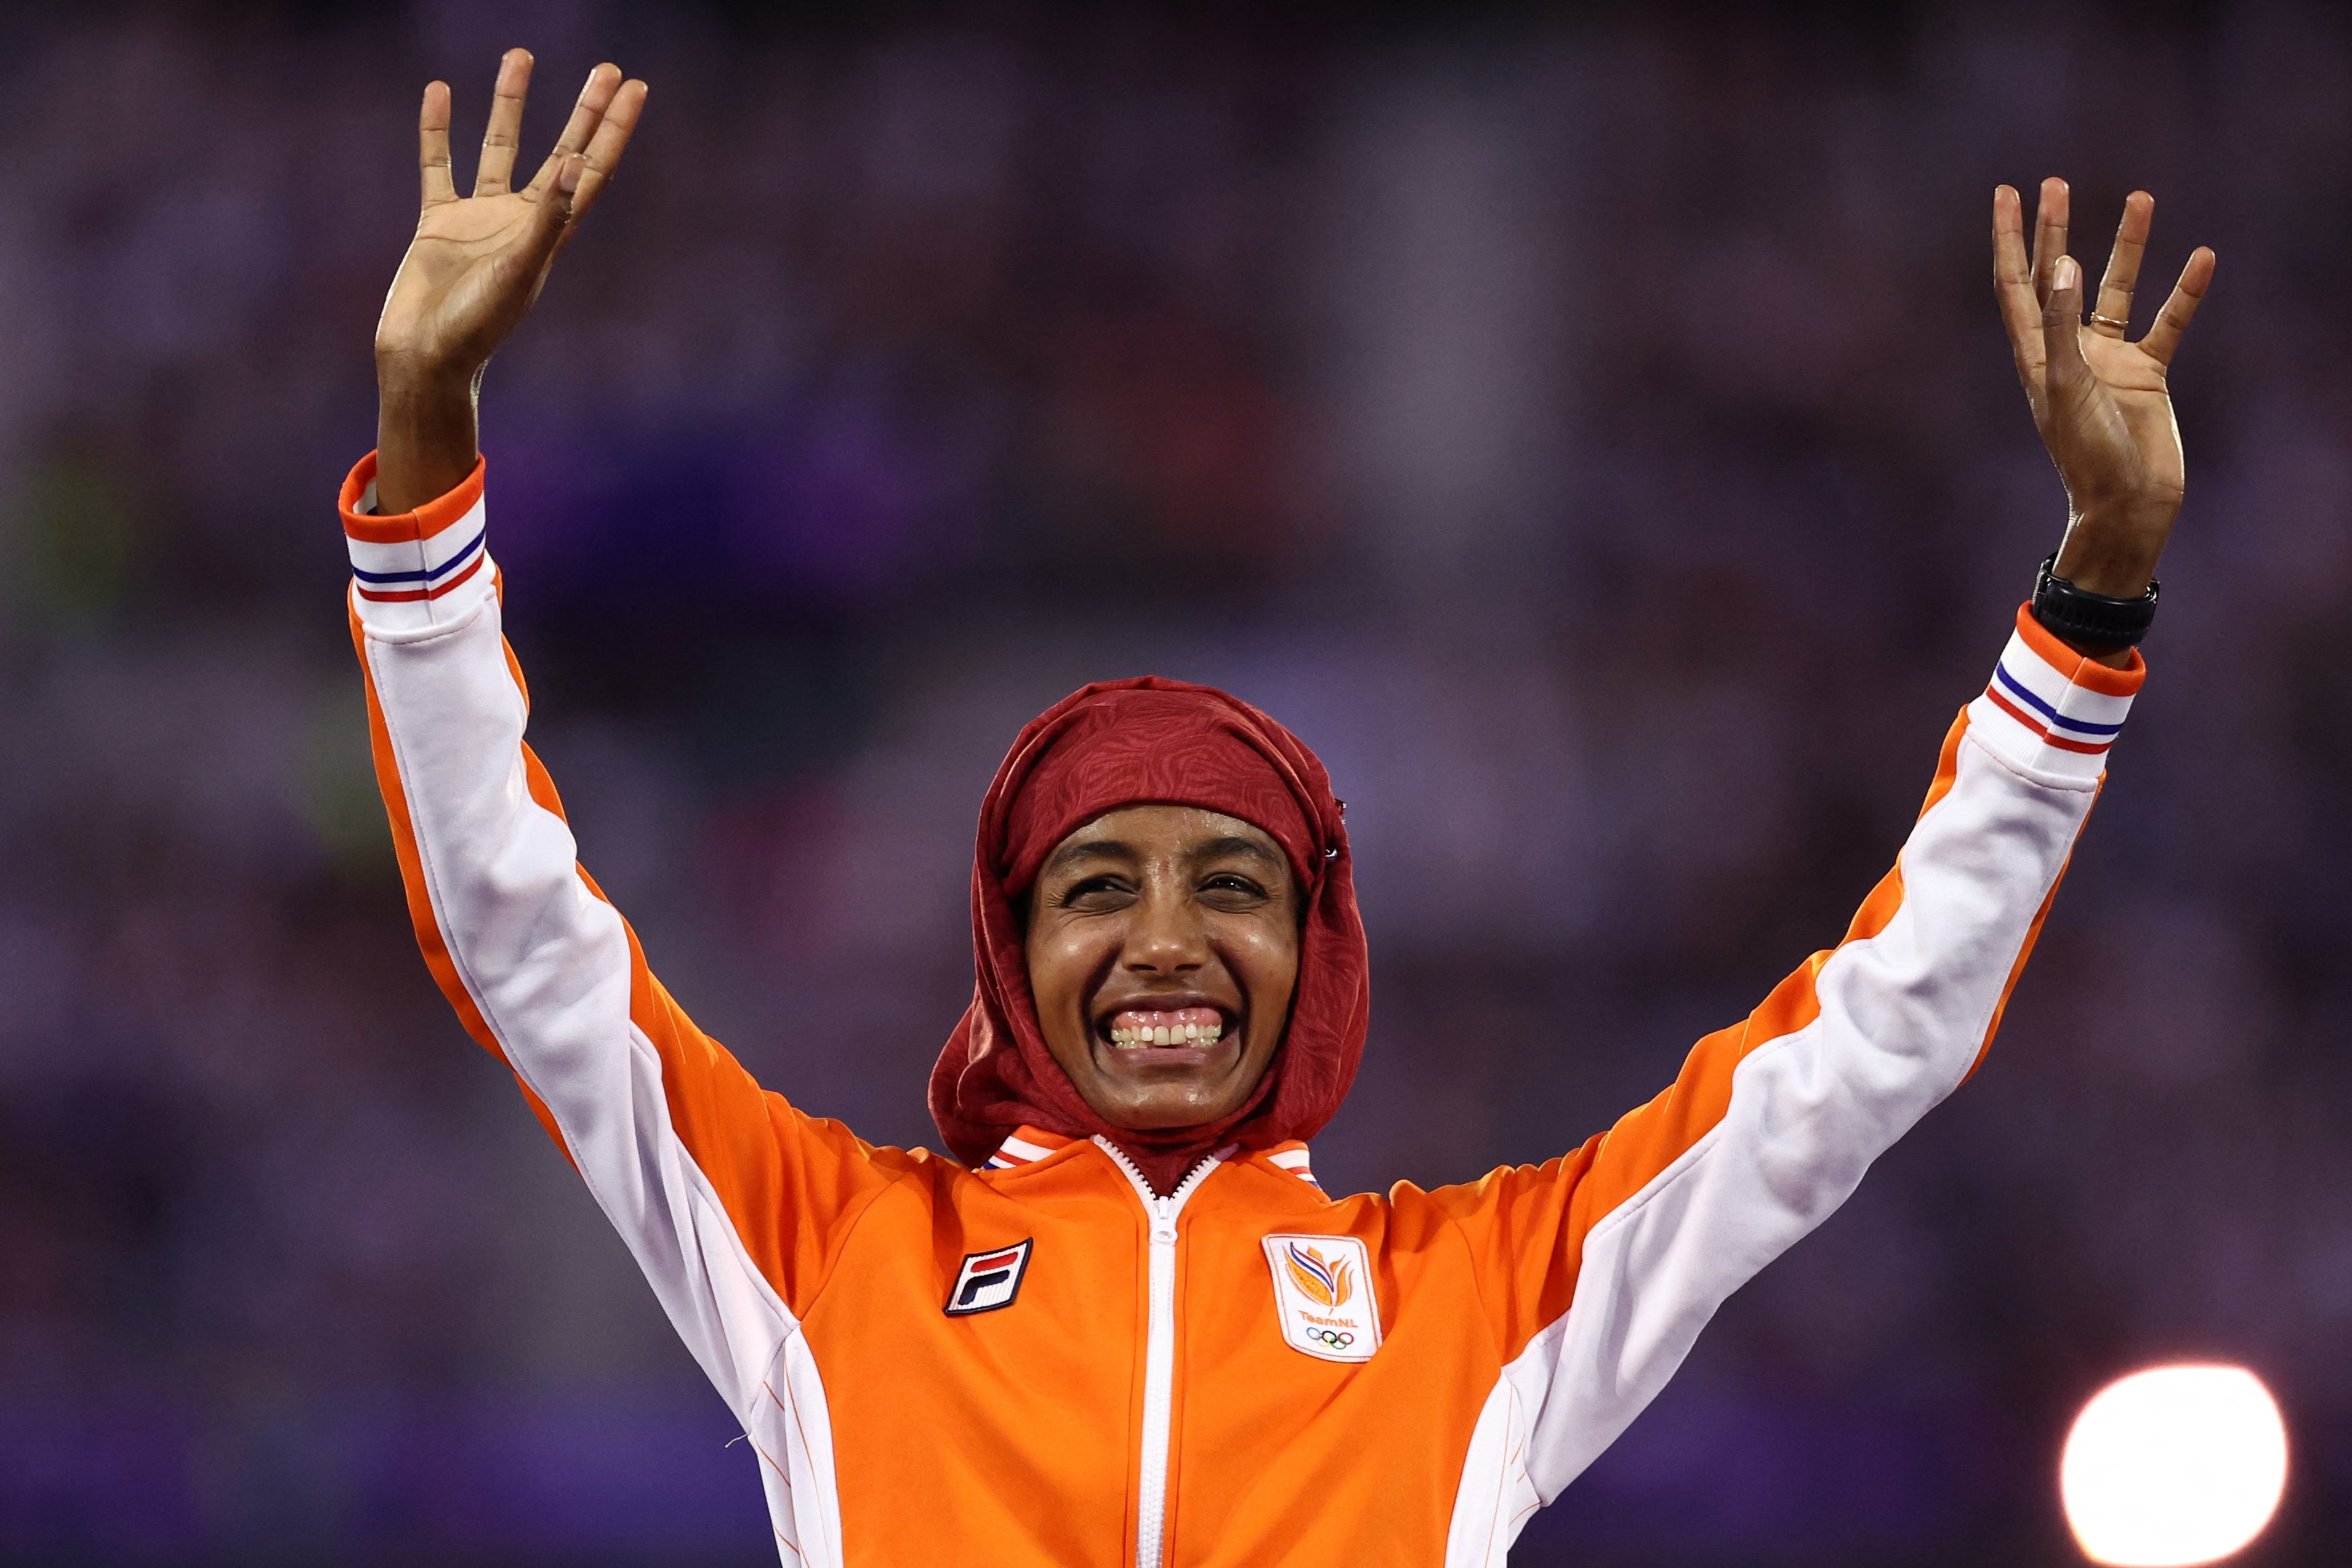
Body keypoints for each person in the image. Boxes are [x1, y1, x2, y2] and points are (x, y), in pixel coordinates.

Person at [343, 49, 2213, 1568]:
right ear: (1008, 944)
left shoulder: (1474, 1305)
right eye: (1098, 884)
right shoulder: (831, 1256)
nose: (1164, 936)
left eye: (1230, 881)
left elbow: (1873, 1043)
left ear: (1316, 948)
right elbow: (523, 937)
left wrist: (2091, 601)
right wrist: (427, 439)